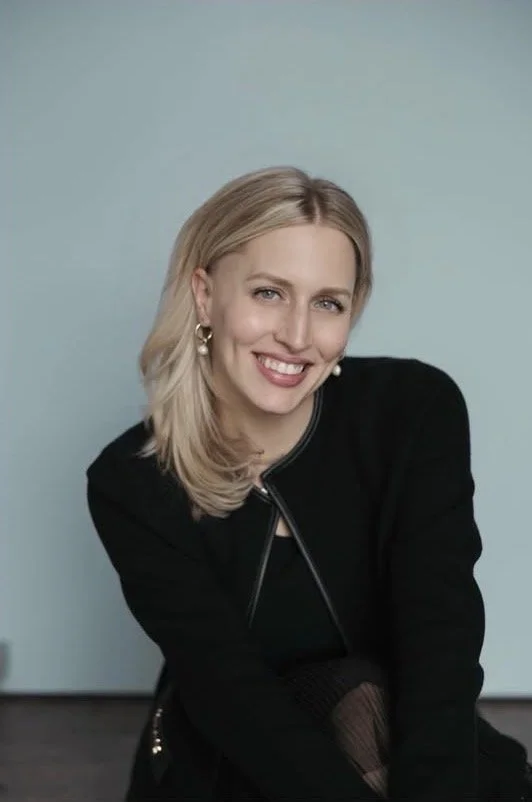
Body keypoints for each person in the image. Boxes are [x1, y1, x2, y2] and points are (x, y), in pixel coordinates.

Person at [86, 166, 531, 801]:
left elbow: (441, 633)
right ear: (206, 295)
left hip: (391, 738)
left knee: (372, 703)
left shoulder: (411, 411)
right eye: (268, 292)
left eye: (328, 303)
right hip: (235, 761)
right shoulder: (132, 480)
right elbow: (229, 693)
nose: (297, 336)